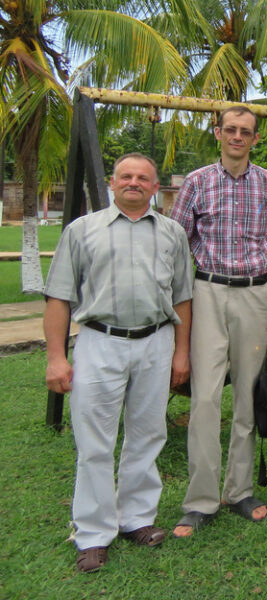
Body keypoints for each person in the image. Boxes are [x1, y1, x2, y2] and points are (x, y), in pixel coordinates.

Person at [43, 154, 192, 573]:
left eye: (142, 178)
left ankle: (137, 520)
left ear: (155, 185)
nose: (134, 182)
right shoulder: (82, 230)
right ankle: (93, 534)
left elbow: (183, 295)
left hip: (156, 341)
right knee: (94, 441)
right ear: (112, 182)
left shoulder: (172, 233)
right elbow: (59, 296)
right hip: (99, 341)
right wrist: (56, 357)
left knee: (147, 435)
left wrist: (182, 352)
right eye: (126, 176)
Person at [169, 106, 267, 538]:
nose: (238, 137)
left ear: (256, 139)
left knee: (247, 396)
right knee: (204, 399)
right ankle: (200, 500)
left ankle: (239, 491)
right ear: (218, 133)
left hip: (257, 295)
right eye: (231, 130)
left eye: (246, 131)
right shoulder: (197, 183)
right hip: (207, 293)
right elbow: (175, 243)